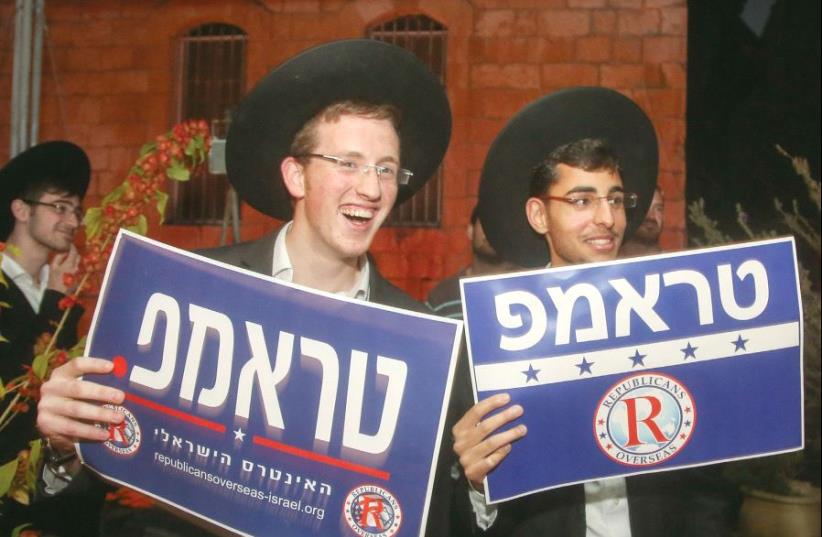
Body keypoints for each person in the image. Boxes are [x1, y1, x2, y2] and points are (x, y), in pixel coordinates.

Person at [33, 39, 452, 536]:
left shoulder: (422, 344)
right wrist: (65, 449)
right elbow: (103, 493)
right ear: (296, 175)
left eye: (386, 168)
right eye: (348, 163)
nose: (372, 187)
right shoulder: (191, 295)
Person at [449, 87, 737, 536]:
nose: (607, 218)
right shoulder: (490, 340)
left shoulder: (672, 320)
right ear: (539, 216)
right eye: (582, 201)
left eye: (616, 199)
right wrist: (476, 484)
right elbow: (472, 512)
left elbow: (707, 484)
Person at [0, 141, 92, 535]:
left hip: (43, 482)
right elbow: (20, 375)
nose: (72, 220)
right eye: (59, 206)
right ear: (21, 209)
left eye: (76, 210)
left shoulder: (55, 291)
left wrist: (60, 300)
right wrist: (56, 302)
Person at [426, 205, 518, 319]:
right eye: (487, 224)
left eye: (500, 226)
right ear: (470, 231)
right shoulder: (442, 296)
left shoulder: (531, 289)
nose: (492, 233)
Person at [619, 185, 664, 257]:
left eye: (658, 209)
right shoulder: (607, 264)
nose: (651, 216)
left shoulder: (676, 265)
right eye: (644, 208)